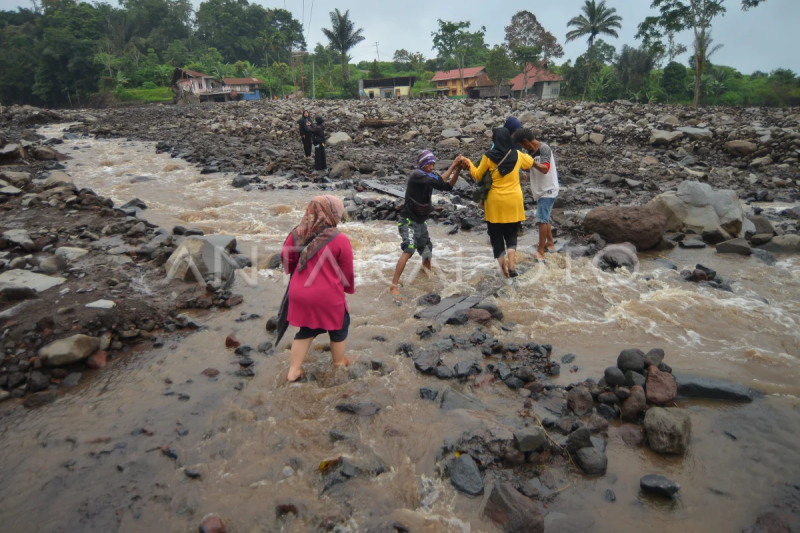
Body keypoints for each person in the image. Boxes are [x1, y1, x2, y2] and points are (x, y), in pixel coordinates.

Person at [281, 195, 354, 382]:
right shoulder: (340, 239)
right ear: (332, 214)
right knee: (340, 325)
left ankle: (294, 371)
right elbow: (346, 271)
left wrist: (297, 273)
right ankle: (338, 363)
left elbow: (287, 261)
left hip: (299, 293)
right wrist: (348, 289)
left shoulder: (295, 234)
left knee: (306, 330)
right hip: (327, 295)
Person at [462, 128, 534, 278]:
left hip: (495, 202)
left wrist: (468, 162)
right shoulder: (518, 155)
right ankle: (512, 266)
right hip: (514, 200)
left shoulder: (488, 157)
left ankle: (504, 272)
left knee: (496, 237)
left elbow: (477, 175)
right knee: (512, 234)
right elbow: (529, 164)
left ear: (495, 140)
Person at [389, 150, 462, 297]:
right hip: (408, 221)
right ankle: (393, 285)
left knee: (427, 250)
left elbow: (447, 187)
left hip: (421, 222)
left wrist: (458, 169)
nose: (432, 165)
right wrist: (454, 164)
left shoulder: (431, 176)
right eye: (429, 163)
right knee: (409, 249)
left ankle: (426, 278)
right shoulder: (417, 175)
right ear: (423, 164)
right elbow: (441, 181)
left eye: (433, 162)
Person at [513, 128, 559, 261]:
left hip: (548, 189)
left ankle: (541, 251)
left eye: (521, 145)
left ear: (526, 141)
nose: (522, 148)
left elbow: (545, 169)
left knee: (541, 219)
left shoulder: (544, 149)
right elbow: (527, 167)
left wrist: (531, 162)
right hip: (540, 190)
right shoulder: (529, 151)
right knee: (545, 217)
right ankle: (550, 243)